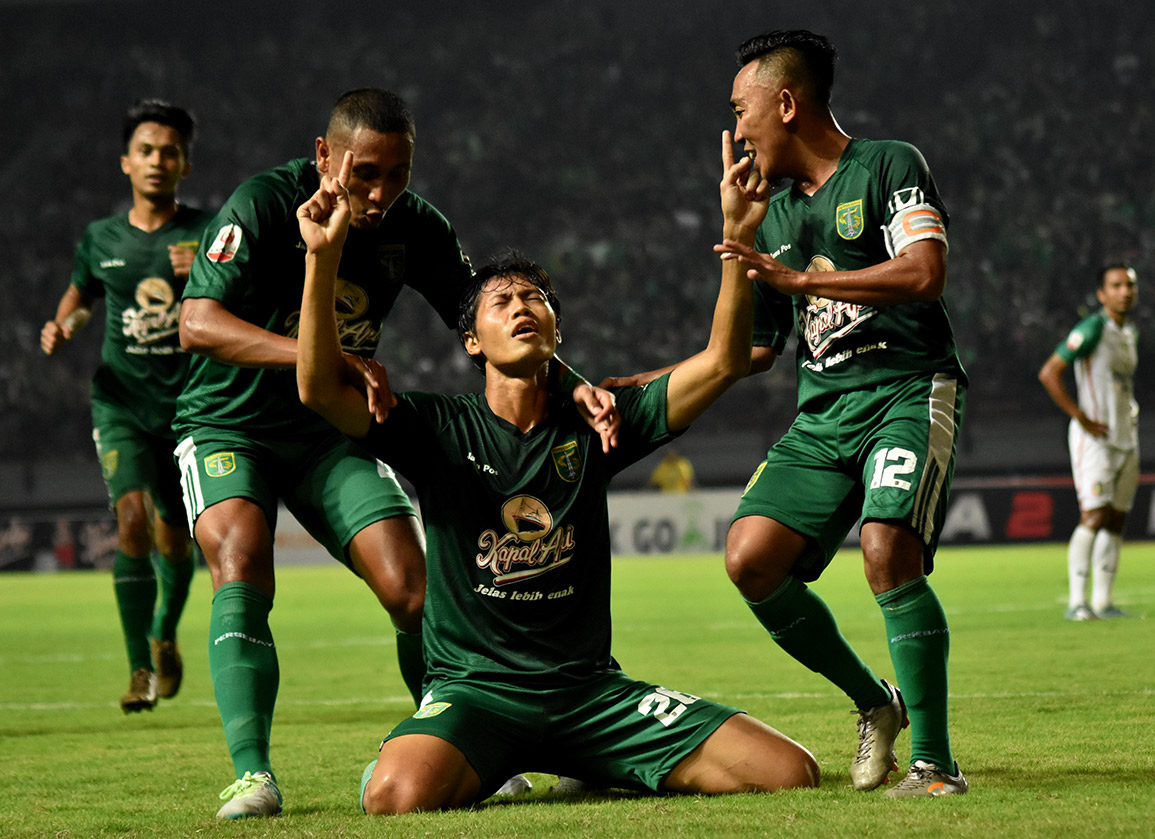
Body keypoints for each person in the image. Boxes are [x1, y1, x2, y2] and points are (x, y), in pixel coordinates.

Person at [293, 135, 819, 814]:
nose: (520, 305)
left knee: (788, 771)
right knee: (395, 795)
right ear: (472, 341)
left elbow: (722, 361)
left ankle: (593, 760)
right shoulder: (434, 427)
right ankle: (456, 752)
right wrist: (320, 257)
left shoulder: (600, 423)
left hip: (589, 694)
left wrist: (737, 234)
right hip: (477, 695)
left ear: (555, 331)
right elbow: (316, 388)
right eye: (501, 300)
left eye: (535, 297)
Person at [174, 88, 616, 819]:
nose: (381, 194)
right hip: (229, 424)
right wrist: (324, 356)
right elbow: (196, 322)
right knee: (242, 558)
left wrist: (576, 386)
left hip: (329, 436)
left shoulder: (415, 227)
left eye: (398, 174)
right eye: (365, 173)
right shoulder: (262, 204)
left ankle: (463, 739)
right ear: (324, 156)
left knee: (412, 587)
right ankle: (253, 776)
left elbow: (484, 317)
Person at [710, 29, 970, 798]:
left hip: (905, 389)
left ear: (786, 103)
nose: (733, 130)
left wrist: (803, 285)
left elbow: (926, 271)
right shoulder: (773, 213)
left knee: (887, 550)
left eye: (740, 109)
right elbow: (749, 352)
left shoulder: (889, 163)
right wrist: (631, 386)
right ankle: (874, 702)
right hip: (822, 416)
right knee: (749, 558)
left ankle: (936, 765)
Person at [41, 99, 210, 714]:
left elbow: (239, 304)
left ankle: (165, 633)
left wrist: (211, 277)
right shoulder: (100, 238)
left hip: (187, 409)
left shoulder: (208, 232)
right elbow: (82, 298)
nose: (157, 160)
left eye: (169, 151)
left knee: (176, 543)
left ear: (186, 163)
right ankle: (139, 666)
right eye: (145, 150)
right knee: (132, 522)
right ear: (125, 162)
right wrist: (64, 325)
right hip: (120, 404)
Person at [1038, 264, 1139, 621]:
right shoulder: (1092, 327)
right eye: (1116, 286)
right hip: (1095, 439)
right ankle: (1077, 603)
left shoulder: (1128, 333)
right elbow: (1050, 372)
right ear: (1102, 294)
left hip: (1126, 437)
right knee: (1093, 515)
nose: (1125, 291)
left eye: (1129, 285)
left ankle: (1103, 603)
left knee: (1115, 519)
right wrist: (1080, 416)